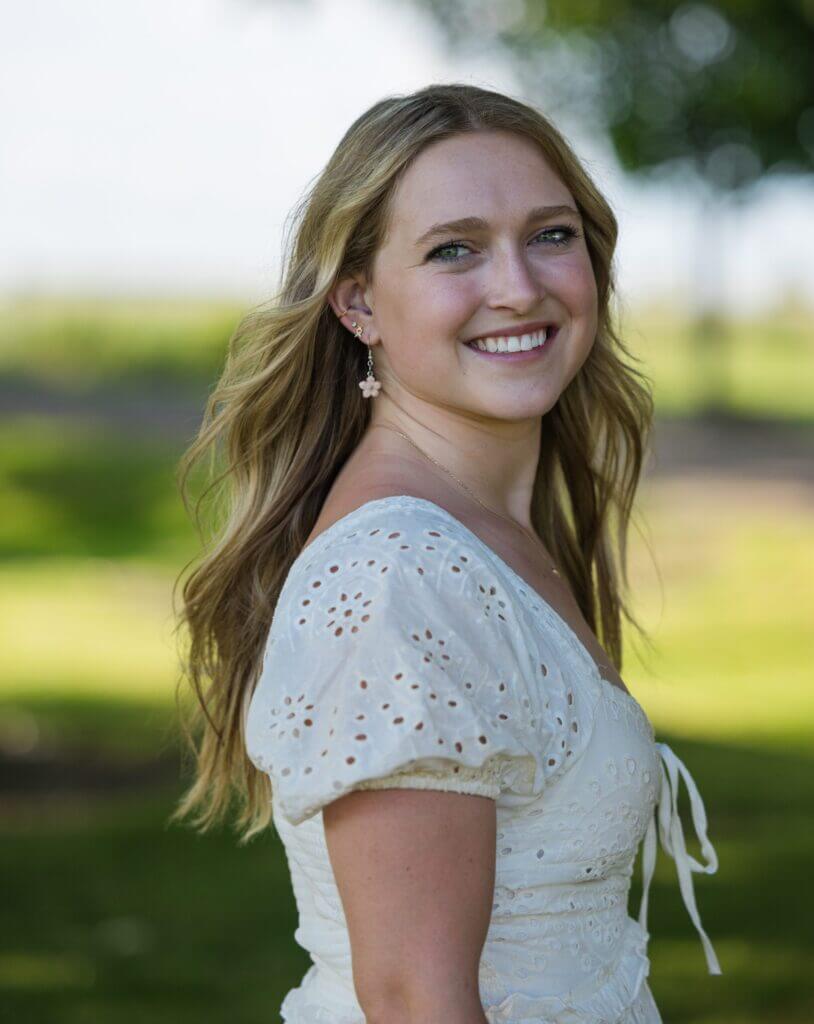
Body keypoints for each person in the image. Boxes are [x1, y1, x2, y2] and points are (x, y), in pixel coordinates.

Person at [171, 83, 722, 1024]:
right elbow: (413, 999)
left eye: (551, 235)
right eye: (453, 250)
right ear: (359, 303)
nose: (519, 286)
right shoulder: (399, 574)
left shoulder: (482, 534)